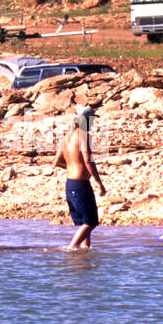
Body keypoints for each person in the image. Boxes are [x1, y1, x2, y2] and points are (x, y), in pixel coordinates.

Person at [53, 105, 107, 250]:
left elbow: (56, 162)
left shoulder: (67, 138)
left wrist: (73, 166)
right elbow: (88, 160)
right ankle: (71, 248)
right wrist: (99, 183)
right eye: (92, 120)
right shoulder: (83, 135)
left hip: (70, 184)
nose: (93, 123)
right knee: (91, 222)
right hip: (81, 184)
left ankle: (85, 251)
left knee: (84, 222)